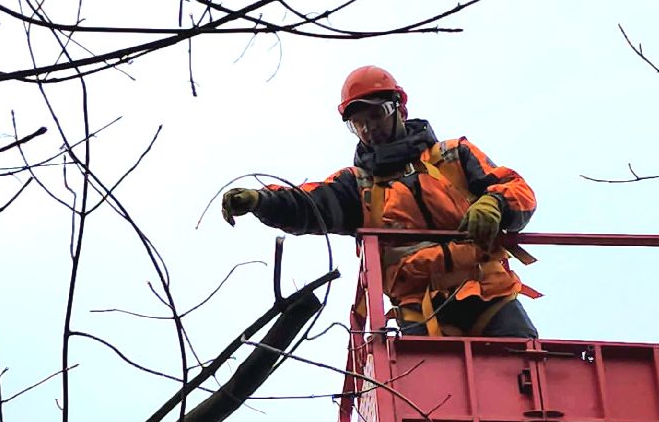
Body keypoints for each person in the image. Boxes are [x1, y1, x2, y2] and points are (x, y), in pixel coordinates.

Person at [221, 66, 539, 338]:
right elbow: (308, 205)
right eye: (357, 122)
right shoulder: (358, 187)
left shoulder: (453, 156)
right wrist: (261, 200)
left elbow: (516, 188)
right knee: (431, 389)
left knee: (525, 367)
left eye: (376, 114)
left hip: (487, 290)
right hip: (420, 308)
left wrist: (495, 204)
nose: (368, 128)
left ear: (399, 110)